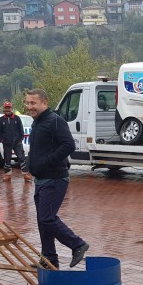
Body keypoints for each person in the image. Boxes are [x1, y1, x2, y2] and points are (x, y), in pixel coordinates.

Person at [23, 88, 89, 269]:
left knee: (47, 218)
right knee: (42, 222)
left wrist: (46, 162)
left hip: (55, 179)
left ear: (44, 103)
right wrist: (29, 163)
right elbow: (40, 148)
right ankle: (49, 260)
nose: (30, 107)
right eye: (27, 103)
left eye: (33, 103)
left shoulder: (55, 121)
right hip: (41, 180)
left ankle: (77, 245)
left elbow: (68, 145)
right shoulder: (37, 123)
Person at [0, 101, 32, 182]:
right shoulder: (1, 120)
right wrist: (2, 140)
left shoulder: (17, 118)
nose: (8, 109)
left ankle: (25, 174)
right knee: (7, 159)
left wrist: (20, 139)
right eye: (6, 108)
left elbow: (21, 130)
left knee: (21, 158)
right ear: (4, 109)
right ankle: (7, 175)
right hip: (6, 143)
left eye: (9, 108)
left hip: (17, 143)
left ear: (11, 108)